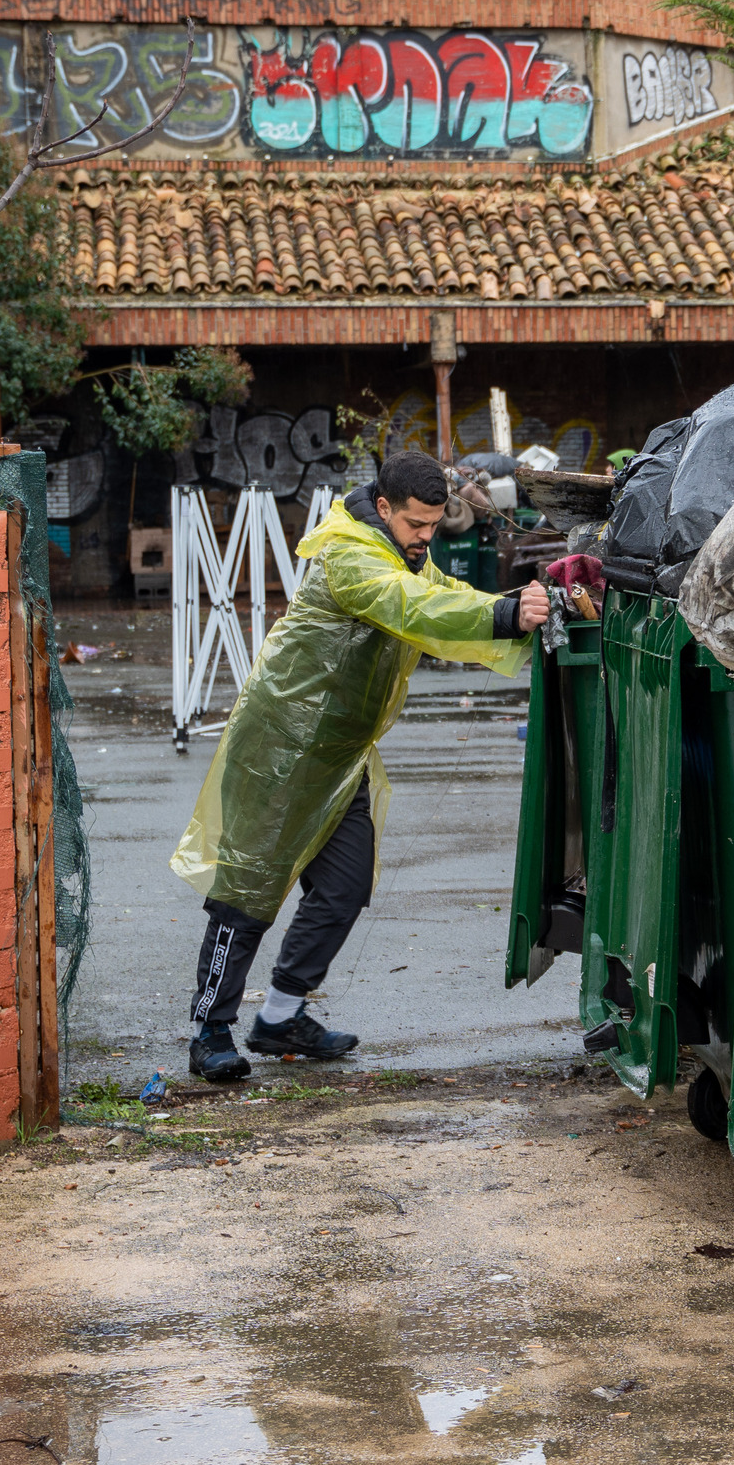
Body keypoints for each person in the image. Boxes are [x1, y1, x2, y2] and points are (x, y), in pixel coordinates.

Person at [169, 451, 550, 1082]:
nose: (427, 538)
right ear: (383, 508)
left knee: (344, 889)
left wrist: (516, 606)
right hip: (280, 749)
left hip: (339, 756)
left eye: (434, 525)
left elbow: (441, 595)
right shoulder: (350, 555)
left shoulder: (404, 553)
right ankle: (210, 1030)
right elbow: (412, 608)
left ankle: (281, 1017)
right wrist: (504, 616)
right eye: (417, 525)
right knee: (248, 894)